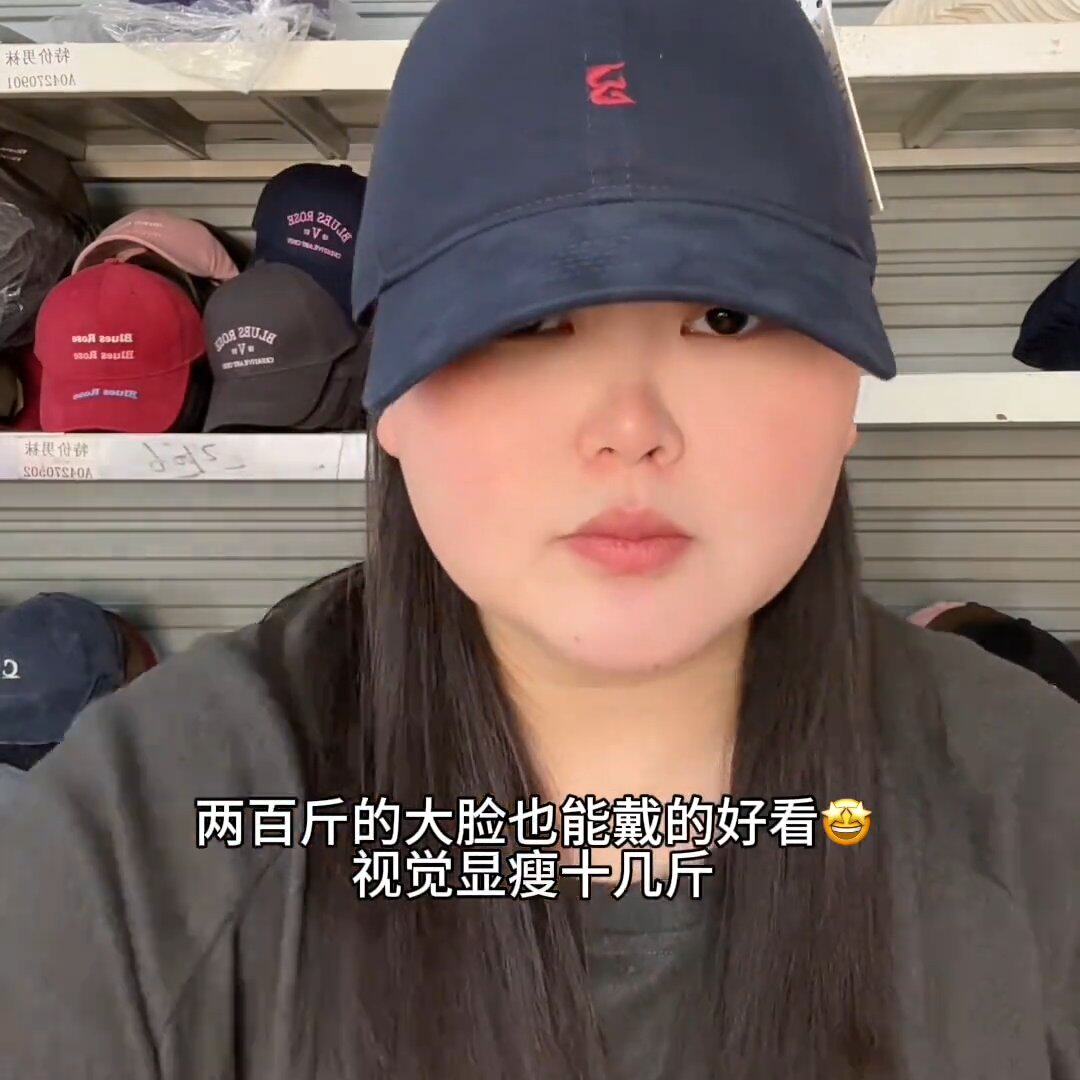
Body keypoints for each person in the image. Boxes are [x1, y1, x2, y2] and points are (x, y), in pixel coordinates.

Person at [1, 1, 1078, 1078]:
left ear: (849, 387)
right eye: (527, 321)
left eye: (728, 317)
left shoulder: (1038, 803)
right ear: (390, 395)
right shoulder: (138, 847)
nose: (630, 428)